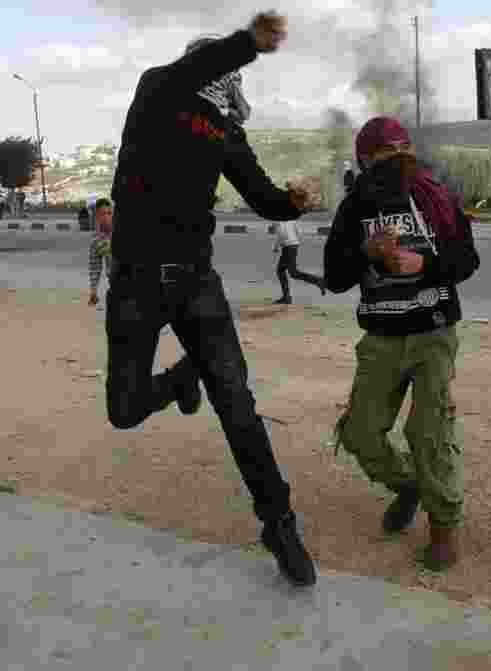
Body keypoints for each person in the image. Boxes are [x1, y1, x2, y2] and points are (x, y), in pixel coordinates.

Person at [105, 11, 320, 587]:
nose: (231, 90)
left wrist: (292, 202)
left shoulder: (225, 129)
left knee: (237, 404)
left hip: (197, 281)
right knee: (123, 411)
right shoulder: (160, 88)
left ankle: (279, 523)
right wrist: (248, 43)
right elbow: (202, 64)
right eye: (227, 72)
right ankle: (178, 381)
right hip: (135, 279)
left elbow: (262, 195)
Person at [323, 116, 480, 571]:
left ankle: (444, 525)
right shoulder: (354, 207)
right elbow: (334, 278)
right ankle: (409, 485)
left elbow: (467, 260)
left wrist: (424, 265)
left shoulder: (437, 197)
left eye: (398, 156)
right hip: (381, 338)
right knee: (359, 432)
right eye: (380, 159)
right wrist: (366, 254)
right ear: (364, 161)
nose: (391, 167)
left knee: (430, 432)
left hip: (433, 333)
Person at [272, 218, 325, 304]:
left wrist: (276, 246)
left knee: (293, 273)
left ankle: (318, 281)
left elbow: (281, 233)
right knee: (282, 271)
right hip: (293, 245)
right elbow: (297, 231)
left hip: (288, 247)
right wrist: (294, 240)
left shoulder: (277, 220)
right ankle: (286, 297)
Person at [88, 198, 114, 307]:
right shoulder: (96, 241)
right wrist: (93, 290)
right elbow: (95, 267)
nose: (107, 217)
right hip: (116, 283)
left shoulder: (123, 231)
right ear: (97, 217)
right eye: (102, 214)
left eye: (109, 213)